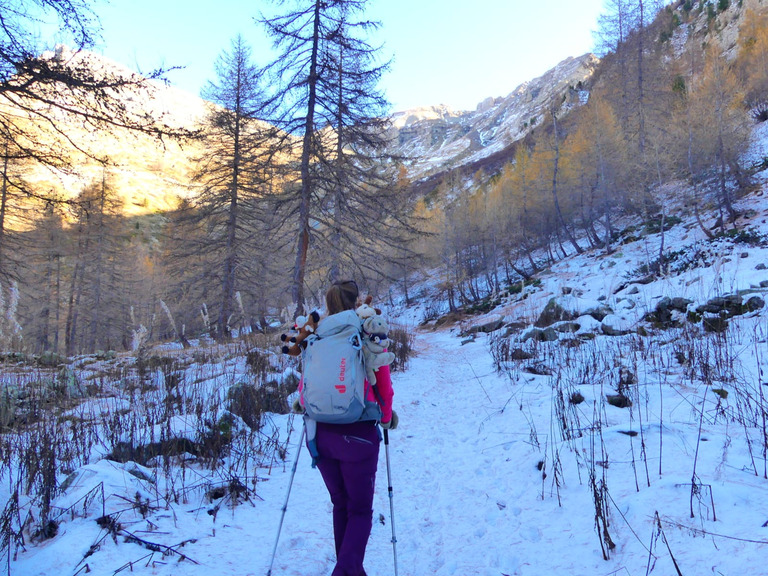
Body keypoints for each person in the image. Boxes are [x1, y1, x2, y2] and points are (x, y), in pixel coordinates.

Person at [297, 279, 397, 576]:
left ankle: (350, 568)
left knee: (341, 505)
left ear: (328, 305)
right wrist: (387, 417)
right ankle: (346, 570)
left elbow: (304, 387)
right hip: (358, 434)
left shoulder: (315, 336)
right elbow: (385, 389)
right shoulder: (366, 334)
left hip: (320, 435)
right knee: (360, 509)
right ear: (356, 304)